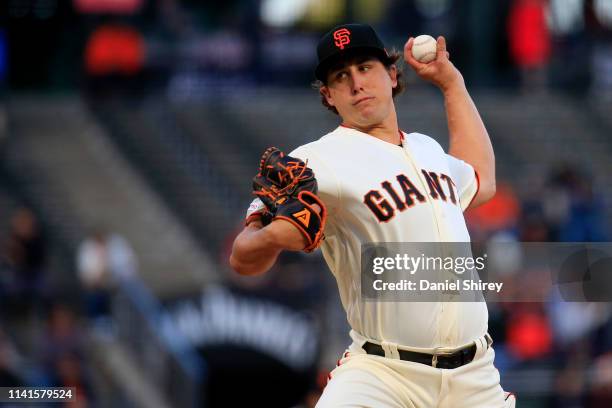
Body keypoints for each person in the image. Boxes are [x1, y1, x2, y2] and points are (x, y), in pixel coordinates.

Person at [230, 23, 514, 407]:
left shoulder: (426, 149)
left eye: (365, 67)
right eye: (341, 76)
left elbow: (482, 179)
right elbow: (242, 258)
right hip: (385, 376)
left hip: (474, 377)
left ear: (392, 74)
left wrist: (452, 85)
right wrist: (273, 237)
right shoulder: (315, 160)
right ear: (329, 96)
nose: (356, 83)